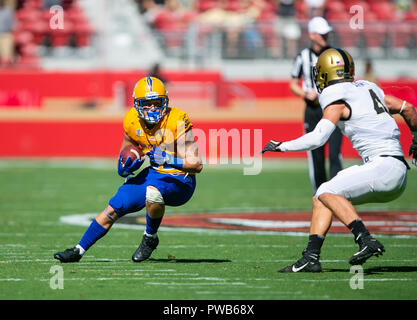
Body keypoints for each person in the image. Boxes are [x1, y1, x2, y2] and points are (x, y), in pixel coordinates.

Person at [262, 48, 417, 272]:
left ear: (325, 73)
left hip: (381, 167)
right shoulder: (369, 87)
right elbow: (408, 108)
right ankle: (310, 258)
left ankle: (365, 239)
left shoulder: (335, 95)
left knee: (327, 191)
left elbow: (318, 137)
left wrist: (282, 146)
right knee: (321, 197)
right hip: (395, 171)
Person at [54, 76, 203, 263]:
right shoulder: (132, 120)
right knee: (115, 206)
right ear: (137, 105)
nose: (152, 108)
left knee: (153, 193)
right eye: (146, 104)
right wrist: (125, 168)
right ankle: (79, 250)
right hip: (155, 174)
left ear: (165, 102)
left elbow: (196, 164)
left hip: (180, 179)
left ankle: (149, 237)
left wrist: (168, 159)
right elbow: (125, 153)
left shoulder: (177, 119)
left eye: (156, 103)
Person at [289, 16, 343, 192]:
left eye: (326, 33)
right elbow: (292, 84)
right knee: (316, 156)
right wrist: (306, 93)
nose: (325, 36)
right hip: (312, 110)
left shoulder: (335, 54)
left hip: (333, 107)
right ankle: (321, 195)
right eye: (321, 33)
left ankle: (338, 193)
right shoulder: (303, 56)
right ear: (312, 35)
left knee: (335, 154)